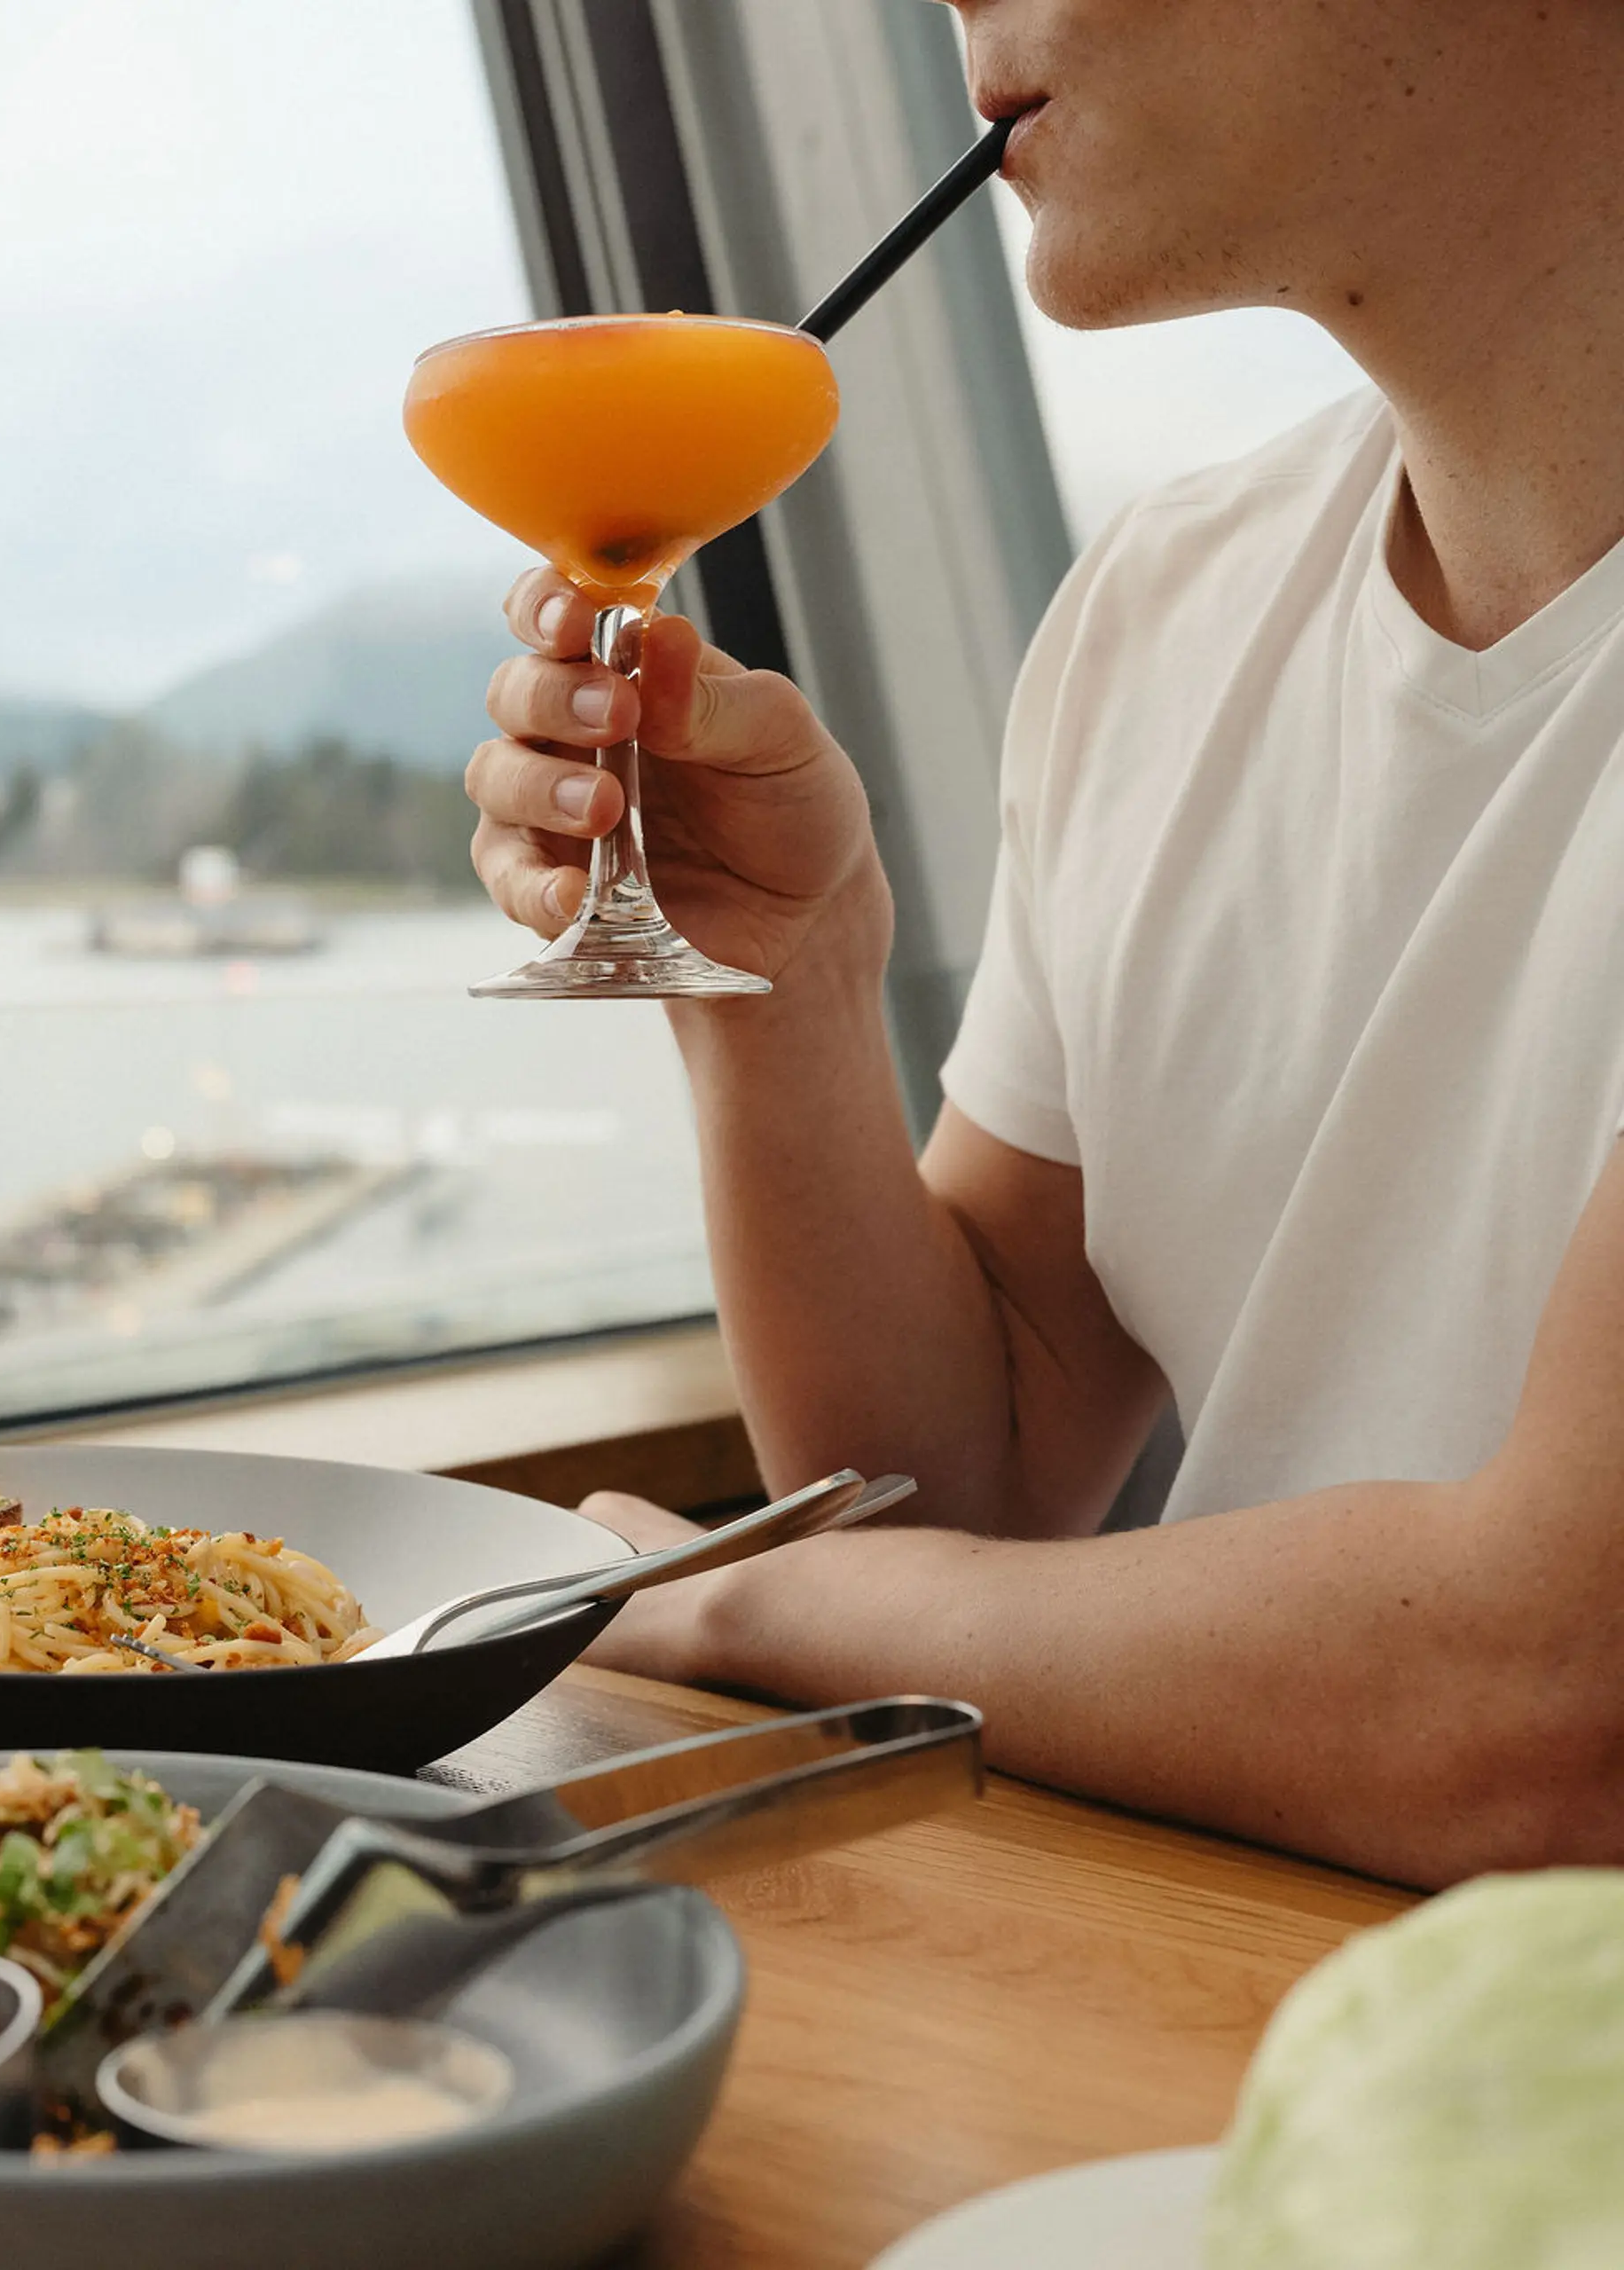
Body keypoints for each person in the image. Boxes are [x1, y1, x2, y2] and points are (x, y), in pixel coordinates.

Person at [462, 0, 1624, 1889]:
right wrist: (785, 986)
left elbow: (1556, 1707)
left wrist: (754, 1611)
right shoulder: (1171, 612)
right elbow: (970, 1464)